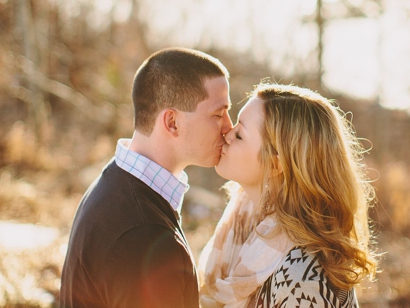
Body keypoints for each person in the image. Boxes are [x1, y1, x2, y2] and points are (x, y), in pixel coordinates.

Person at [60, 47, 233, 308]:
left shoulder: (117, 181)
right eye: (218, 114)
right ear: (172, 122)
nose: (229, 127)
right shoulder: (143, 235)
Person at [198, 83, 375, 308]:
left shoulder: (301, 279)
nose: (227, 134)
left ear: (275, 164)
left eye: (240, 134)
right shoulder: (241, 225)